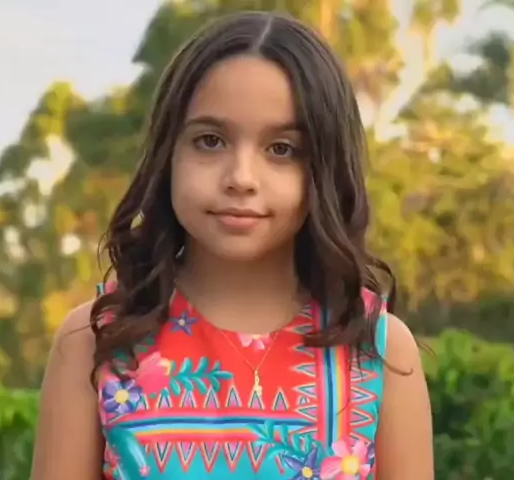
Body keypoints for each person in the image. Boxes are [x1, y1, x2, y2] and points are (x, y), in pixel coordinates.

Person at [31, 10, 433, 480]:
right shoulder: (94, 342)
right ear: (167, 154)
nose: (241, 177)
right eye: (210, 140)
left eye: (282, 149)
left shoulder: (380, 350)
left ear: (325, 169)